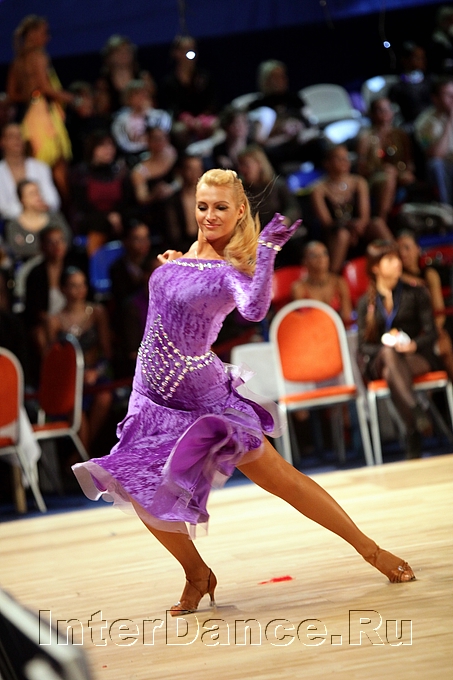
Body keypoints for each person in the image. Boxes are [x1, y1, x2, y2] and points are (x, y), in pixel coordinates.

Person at [72, 169, 415, 617]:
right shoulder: (185, 255)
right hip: (149, 396)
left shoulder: (230, 270)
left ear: (239, 212)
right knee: (136, 485)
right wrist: (174, 267)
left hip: (201, 400)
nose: (209, 215)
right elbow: (177, 298)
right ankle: (197, 573)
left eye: (220, 207)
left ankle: (371, 550)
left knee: (282, 480)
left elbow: (253, 309)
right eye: (202, 206)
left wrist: (268, 251)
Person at [357, 240, 440, 459]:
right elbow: (363, 346)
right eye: (390, 259)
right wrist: (387, 346)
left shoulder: (416, 293)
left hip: (415, 356)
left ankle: (412, 431)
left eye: (397, 258)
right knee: (388, 354)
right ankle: (415, 408)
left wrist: (413, 345)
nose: (398, 263)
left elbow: (432, 333)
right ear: (376, 267)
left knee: (391, 373)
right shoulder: (366, 303)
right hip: (379, 359)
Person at [6, 15, 74, 200]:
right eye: (45, 33)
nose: (48, 37)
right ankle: (64, 210)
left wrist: (30, 97)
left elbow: (12, 95)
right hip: (44, 118)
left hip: (29, 117)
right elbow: (46, 88)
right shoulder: (39, 56)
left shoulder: (17, 62)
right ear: (32, 34)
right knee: (58, 167)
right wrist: (72, 99)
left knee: (36, 165)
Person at [46, 267, 113, 452]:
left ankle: (82, 455)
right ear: (63, 289)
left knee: (105, 397)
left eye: (82, 284)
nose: (79, 290)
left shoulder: (97, 312)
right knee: (78, 414)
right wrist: (72, 376)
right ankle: (83, 457)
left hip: (94, 374)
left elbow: (107, 352)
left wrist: (95, 372)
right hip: (68, 379)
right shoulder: (54, 320)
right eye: (74, 285)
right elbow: (52, 360)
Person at [311, 144, 394, 273]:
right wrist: (349, 227)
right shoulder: (319, 189)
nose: (344, 162)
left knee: (377, 223)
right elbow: (327, 223)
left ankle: (398, 260)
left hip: (359, 230)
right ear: (327, 163)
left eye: (346, 158)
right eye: (339, 158)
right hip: (335, 235)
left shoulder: (358, 182)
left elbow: (364, 216)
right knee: (343, 235)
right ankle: (333, 276)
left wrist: (358, 228)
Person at [397, 229, 453, 380]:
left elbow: (439, 313)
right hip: (409, 333)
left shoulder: (429, 274)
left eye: (407, 247)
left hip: (431, 328)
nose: (403, 253)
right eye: (399, 249)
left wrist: (433, 332)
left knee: (444, 342)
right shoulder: (395, 279)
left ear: (418, 249)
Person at [356, 98, 416, 221]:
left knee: (399, 175)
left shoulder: (401, 135)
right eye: (380, 110)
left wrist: (405, 172)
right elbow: (361, 169)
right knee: (389, 176)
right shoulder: (365, 138)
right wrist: (382, 169)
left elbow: (408, 162)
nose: (385, 113)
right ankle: (381, 218)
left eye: (388, 109)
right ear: (372, 114)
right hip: (374, 178)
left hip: (399, 174)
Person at [0, 122, 60, 220]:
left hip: (43, 219)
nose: (17, 139)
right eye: (11, 136)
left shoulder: (41, 168)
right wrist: (29, 212)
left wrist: (39, 208)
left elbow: (53, 200)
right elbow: (3, 206)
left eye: (20, 135)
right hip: (10, 223)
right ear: (2, 142)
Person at [5, 179, 70, 262]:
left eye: (38, 192)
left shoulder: (55, 219)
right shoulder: (14, 226)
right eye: (32, 193)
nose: (38, 197)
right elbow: (15, 249)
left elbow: (67, 240)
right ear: (22, 200)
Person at [291, 241, 352, 325]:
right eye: (314, 255)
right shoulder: (299, 288)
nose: (321, 258)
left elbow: (347, 317)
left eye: (324, 253)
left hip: (337, 329)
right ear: (305, 262)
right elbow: (301, 322)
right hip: (311, 330)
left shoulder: (339, 283)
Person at [414, 76, 453, 204]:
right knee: (435, 165)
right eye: (447, 94)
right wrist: (449, 121)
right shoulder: (425, 122)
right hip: (444, 167)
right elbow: (435, 155)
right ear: (435, 98)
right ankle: (446, 209)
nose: (452, 98)